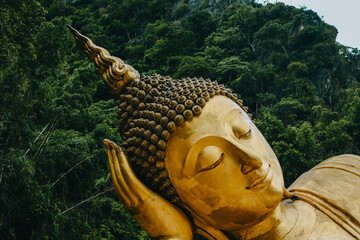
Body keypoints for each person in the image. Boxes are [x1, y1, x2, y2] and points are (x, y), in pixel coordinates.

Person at [68, 25, 360, 240]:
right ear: (183, 202)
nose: (252, 160)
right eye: (213, 161)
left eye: (243, 131)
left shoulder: (344, 173)